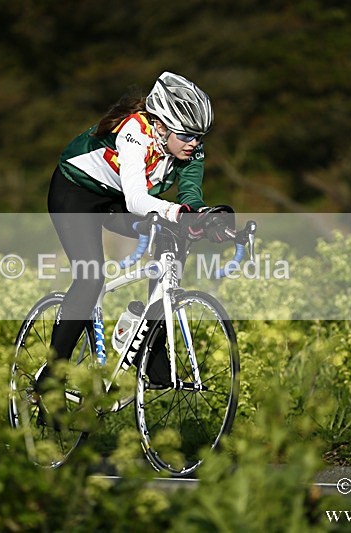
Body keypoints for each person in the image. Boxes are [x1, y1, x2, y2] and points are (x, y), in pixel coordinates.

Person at [42, 71, 234, 421]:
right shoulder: (135, 132)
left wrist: (201, 216)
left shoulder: (190, 147)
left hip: (117, 200)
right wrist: (178, 212)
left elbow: (190, 192)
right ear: (161, 125)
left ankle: (151, 344)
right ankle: (51, 378)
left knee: (173, 236)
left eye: (199, 136)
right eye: (186, 135)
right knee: (90, 279)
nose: (193, 143)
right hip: (77, 195)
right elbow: (135, 198)